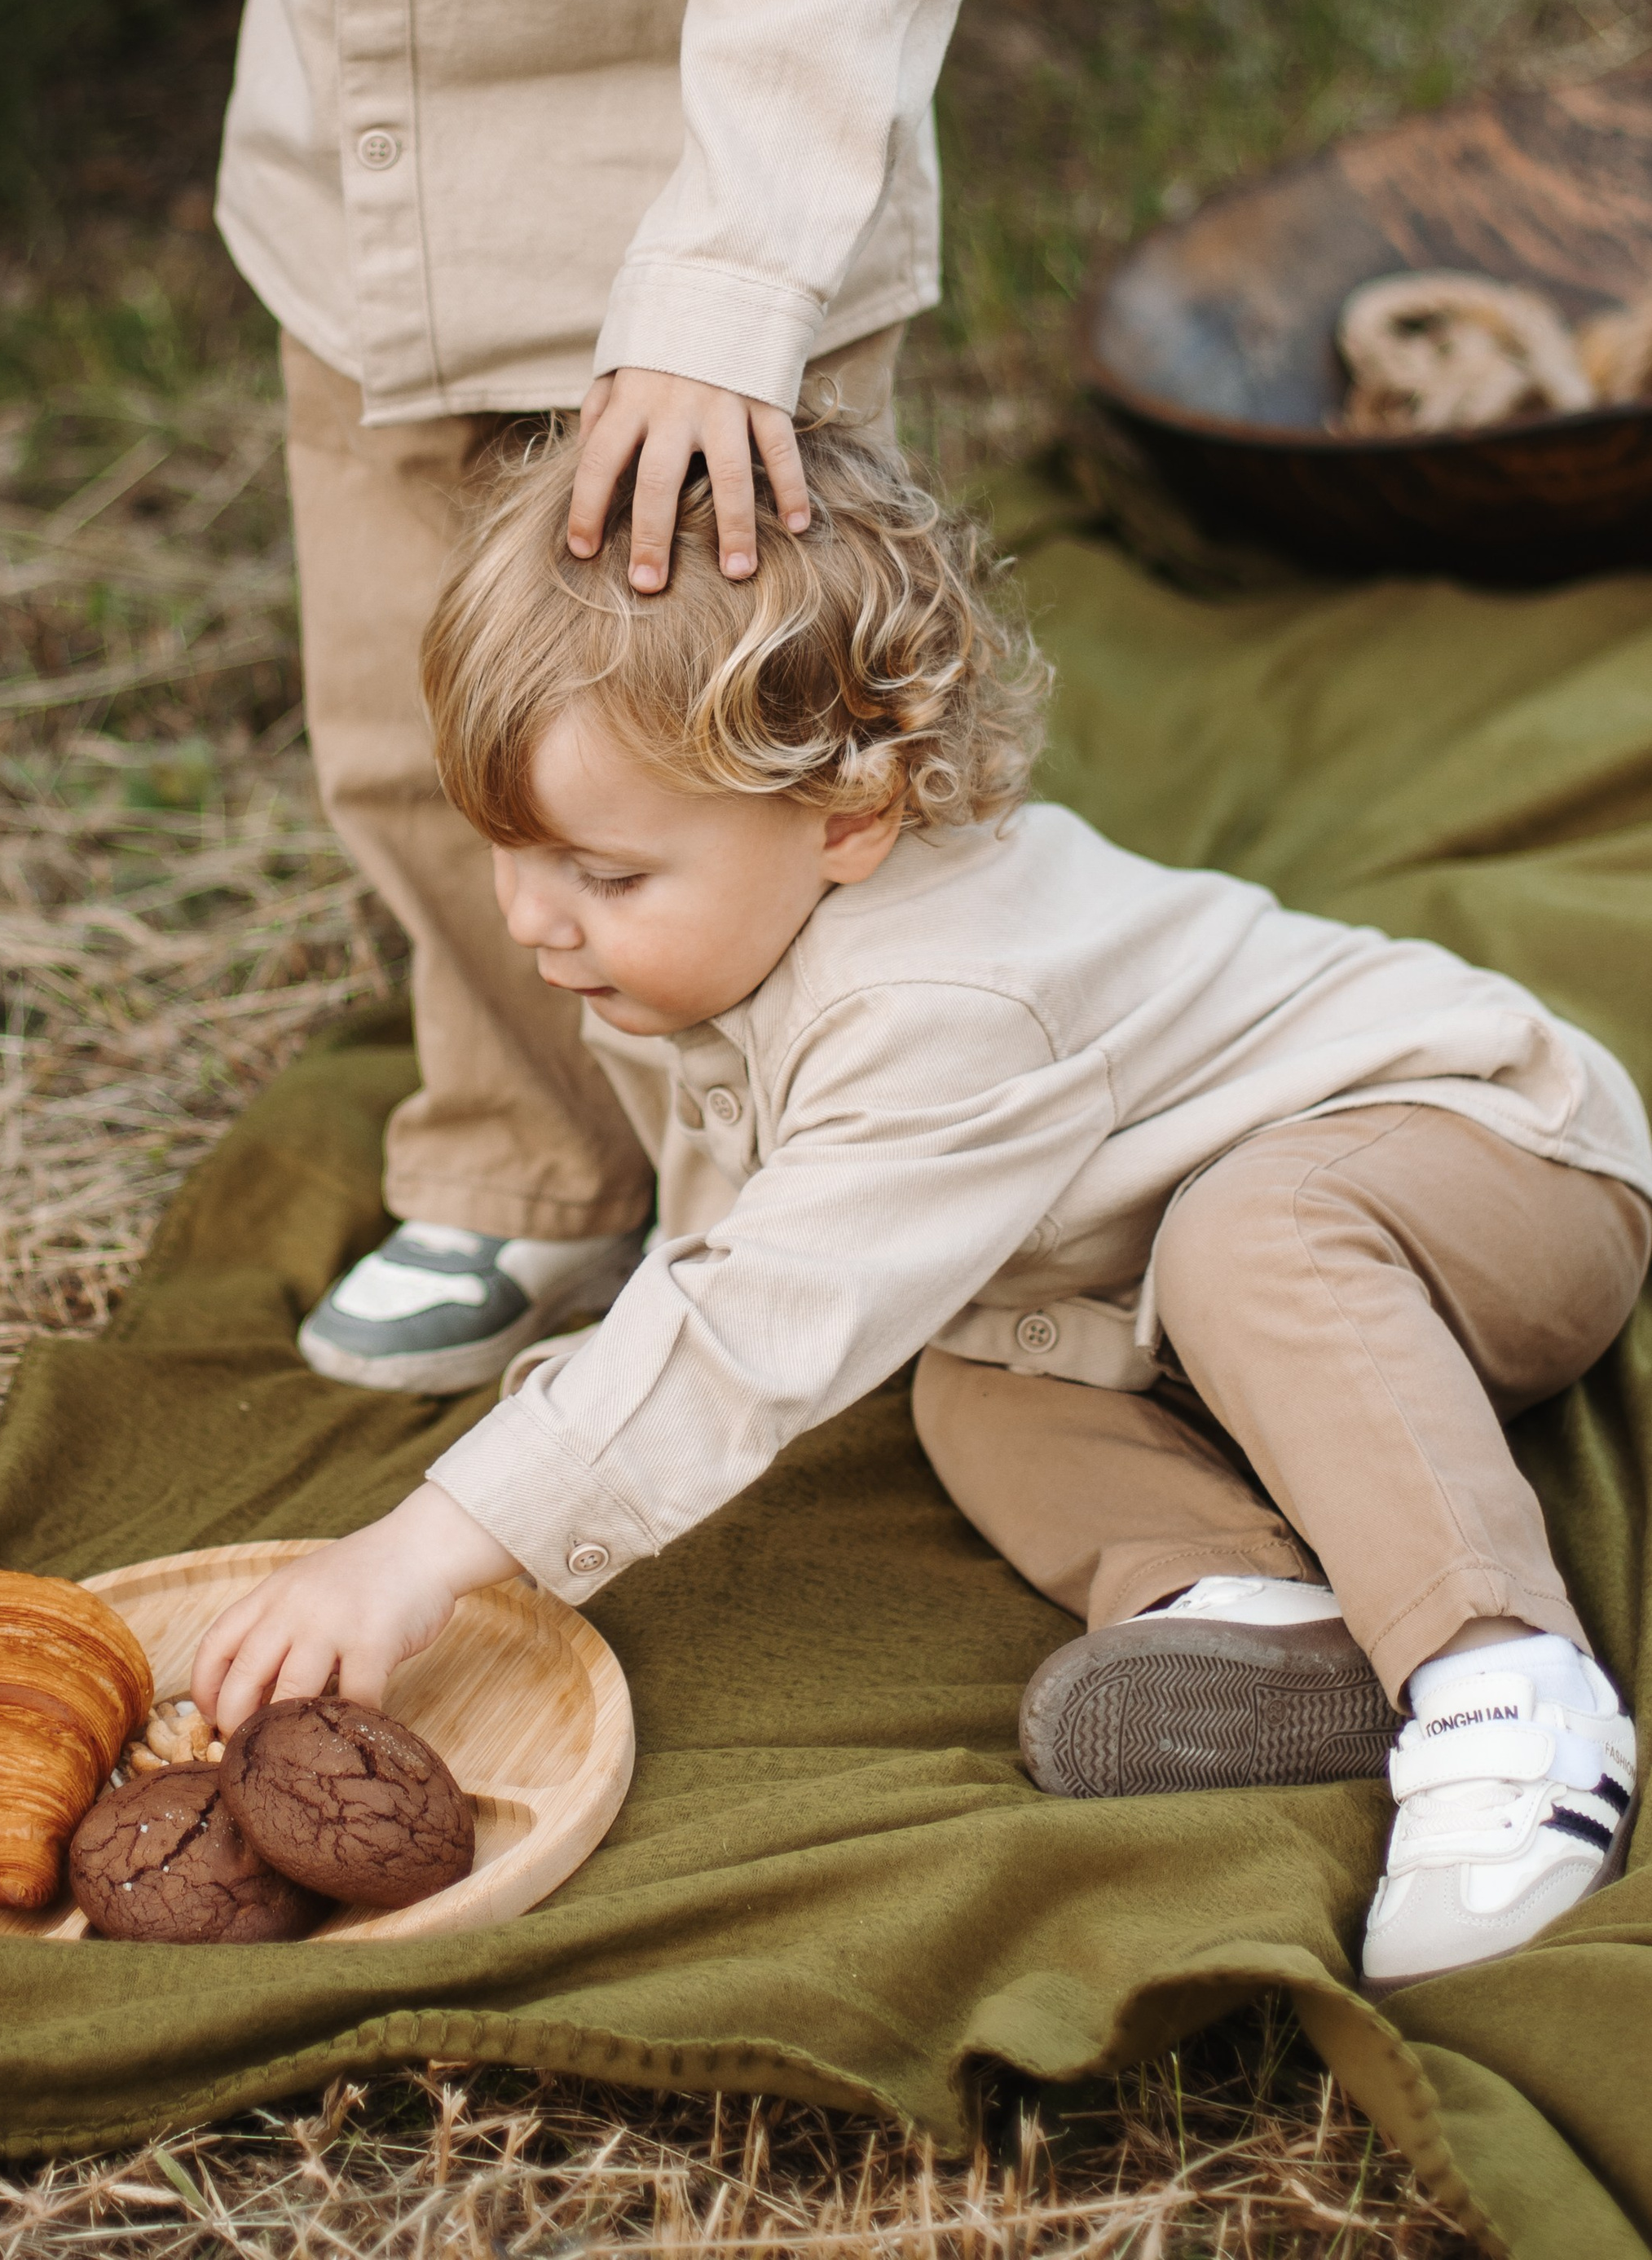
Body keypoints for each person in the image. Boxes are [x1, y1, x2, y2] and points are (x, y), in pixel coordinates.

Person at [189, 420, 1651, 1987]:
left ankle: (1507, 1684)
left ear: (852, 815)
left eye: (606, 877)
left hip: (1490, 1176)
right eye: (510, 851)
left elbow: (757, 1318)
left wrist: (424, 1552)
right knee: (966, 1365)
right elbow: (729, 1245)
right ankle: (1249, 1609)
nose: (538, 920)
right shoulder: (718, 930)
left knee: (1253, 1237)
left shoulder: (944, 997)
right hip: (1154, 1270)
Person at [57, 0, 977, 1390]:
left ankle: (798, 1206)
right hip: (355, 211)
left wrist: (723, 304)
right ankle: (527, 1167)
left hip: (690, 252)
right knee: (408, 734)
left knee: (723, 769)